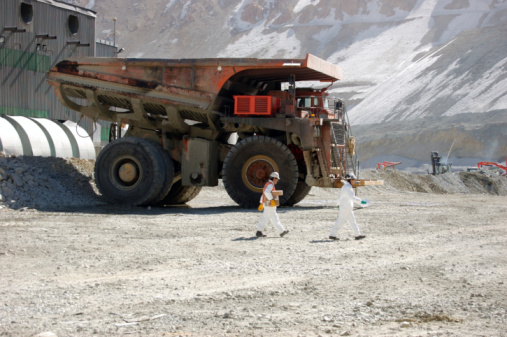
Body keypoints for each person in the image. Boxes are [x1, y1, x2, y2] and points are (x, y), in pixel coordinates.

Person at [329, 173, 367, 241]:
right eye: (353, 179)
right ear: (350, 180)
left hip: (347, 207)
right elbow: (352, 197)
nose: (354, 181)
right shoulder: (347, 187)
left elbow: (339, 197)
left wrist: (338, 205)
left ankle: (357, 235)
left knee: (352, 221)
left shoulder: (346, 186)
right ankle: (332, 235)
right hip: (345, 207)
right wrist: (361, 201)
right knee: (340, 221)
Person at [256, 172, 289, 238]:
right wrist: (271, 199)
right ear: (274, 178)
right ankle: (281, 231)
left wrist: (261, 203)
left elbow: (264, 194)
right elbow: (266, 192)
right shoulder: (270, 185)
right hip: (269, 204)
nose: (277, 180)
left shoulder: (268, 184)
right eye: (277, 179)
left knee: (271, 218)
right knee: (271, 218)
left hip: (267, 204)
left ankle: (281, 231)